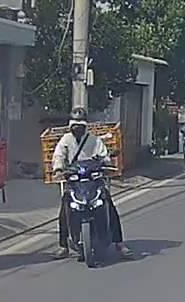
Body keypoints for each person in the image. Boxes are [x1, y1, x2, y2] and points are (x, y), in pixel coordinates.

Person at [50, 107, 134, 261]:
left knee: (109, 204)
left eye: (80, 126)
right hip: (74, 180)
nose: (77, 129)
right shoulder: (65, 140)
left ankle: (119, 243)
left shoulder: (94, 140)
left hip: (93, 179)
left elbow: (104, 156)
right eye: (75, 126)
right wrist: (58, 168)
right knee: (64, 209)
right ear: (70, 126)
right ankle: (63, 246)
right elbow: (58, 155)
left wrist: (105, 163)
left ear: (85, 126)